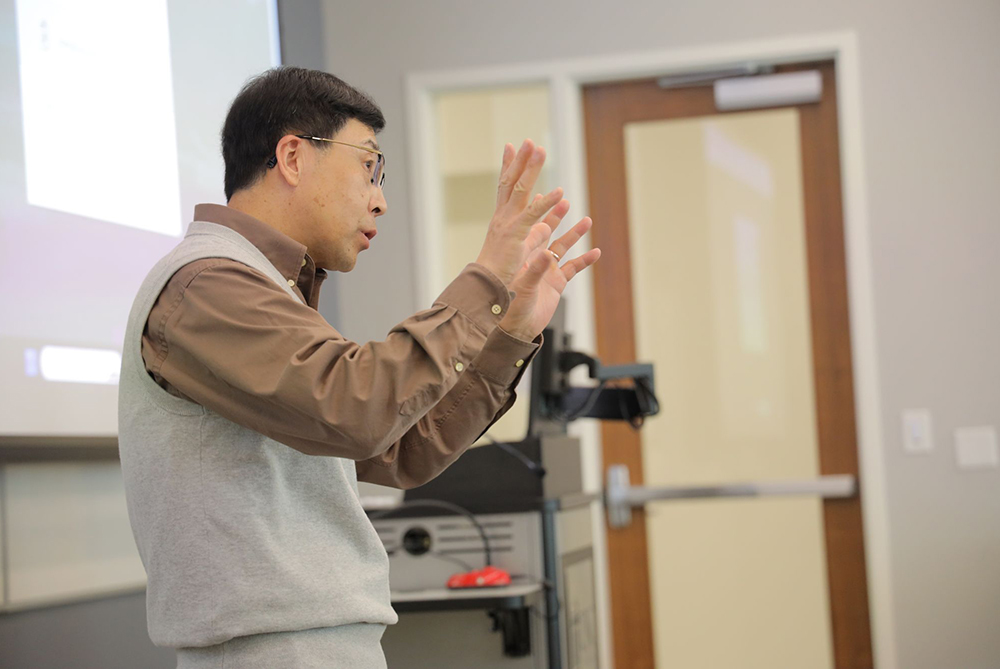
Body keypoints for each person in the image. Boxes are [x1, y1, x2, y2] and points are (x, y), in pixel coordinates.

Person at [117, 66, 600, 668]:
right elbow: (361, 410)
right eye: (368, 166)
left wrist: (513, 331)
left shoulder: (269, 292)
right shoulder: (206, 284)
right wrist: (486, 280)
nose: (381, 198)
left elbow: (403, 448)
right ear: (293, 156)